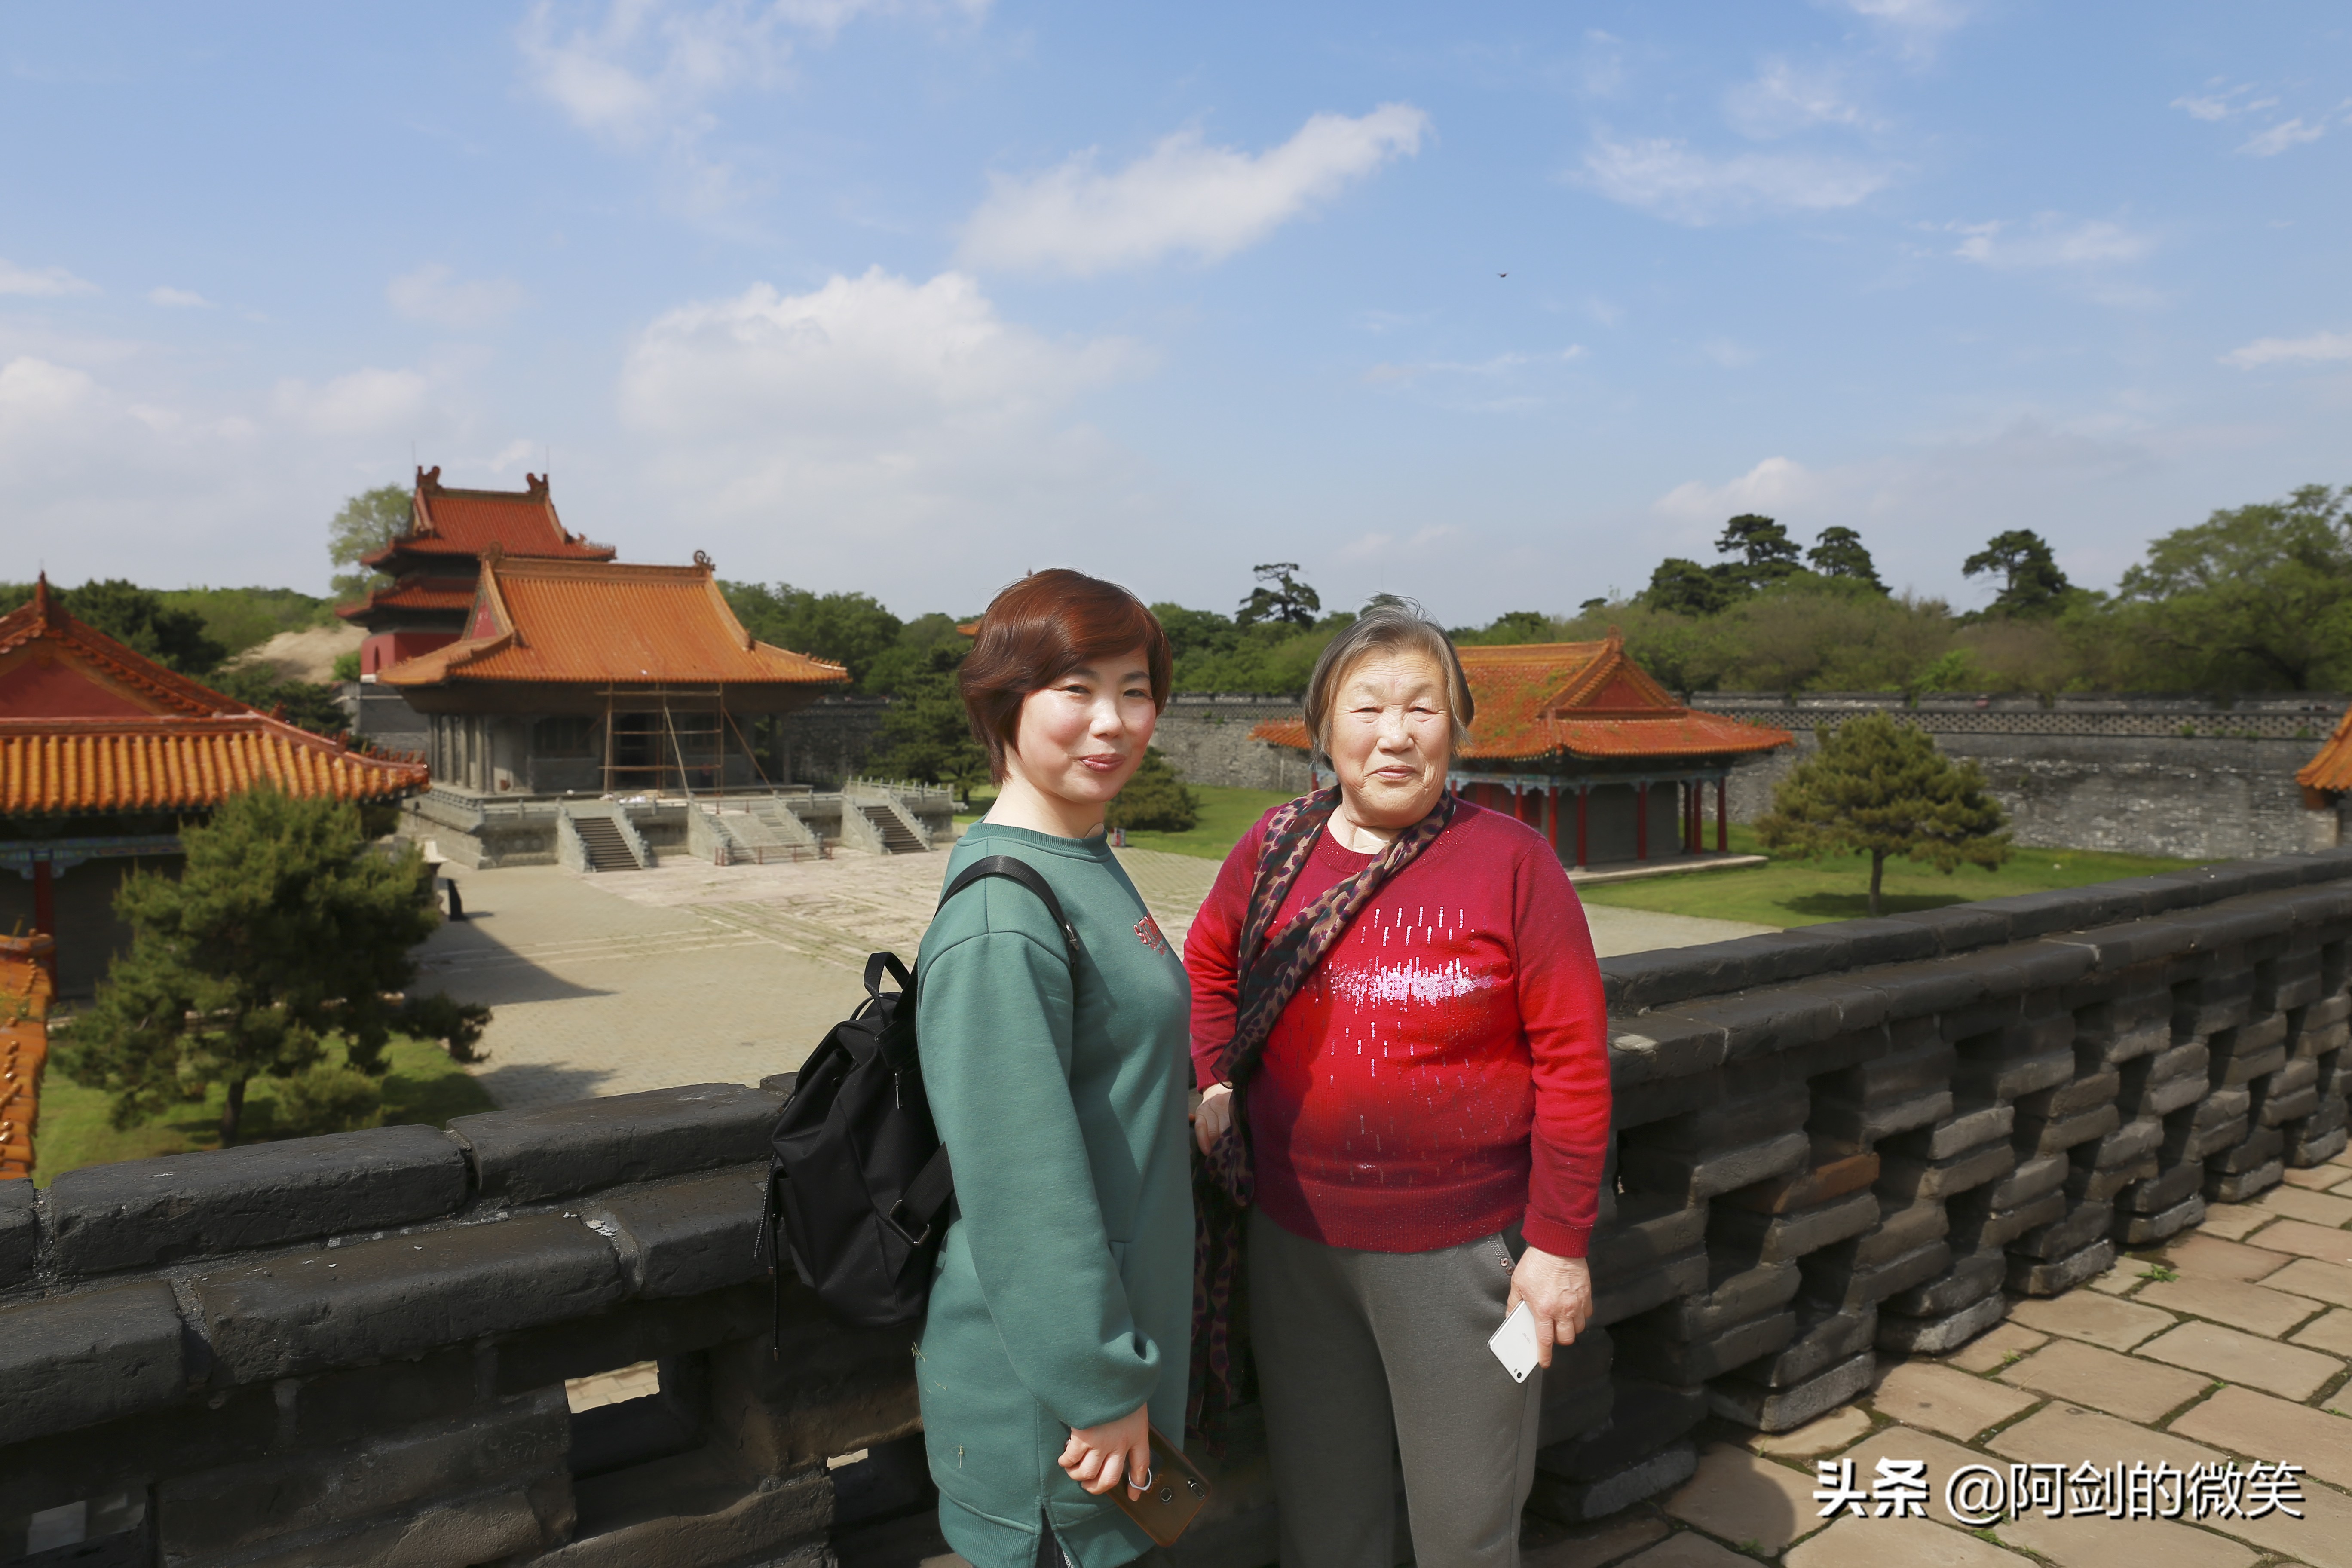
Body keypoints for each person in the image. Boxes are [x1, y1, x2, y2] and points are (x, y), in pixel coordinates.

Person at [1186, 602, 1611, 1568]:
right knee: (1327, 1515)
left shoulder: (1513, 863)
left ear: (1456, 729)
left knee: (1466, 1521)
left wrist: (1557, 1245)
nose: (1395, 733)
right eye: (1367, 707)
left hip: (1460, 1250)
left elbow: (1576, 1064)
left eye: (1423, 708)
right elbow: (1209, 968)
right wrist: (1213, 1078)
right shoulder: (1274, 849)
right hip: (1296, 1240)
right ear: (1323, 729)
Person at [914, 569, 1194, 1568]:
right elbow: (1019, 1187)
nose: (1112, 721)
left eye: (1134, 688)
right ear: (1006, 700)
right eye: (1076, 689)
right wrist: (1101, 1386)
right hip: (1060, 1416)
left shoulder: (1082, 854)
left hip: (1116, 1362)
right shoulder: (1004, 912)